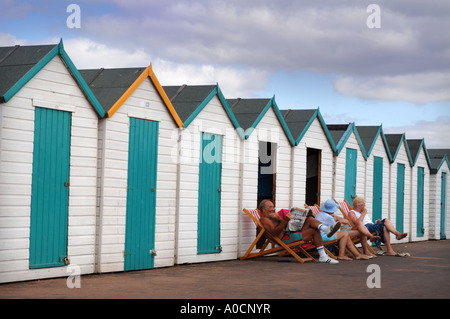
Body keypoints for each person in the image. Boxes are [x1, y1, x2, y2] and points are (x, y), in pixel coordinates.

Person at [258, 199, 340, 264]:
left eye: (273, 207)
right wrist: (285, 220)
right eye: (270, 207)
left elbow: (284, 226)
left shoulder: (273, 216)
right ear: (263, 209)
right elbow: (274, 233)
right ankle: (323, 256)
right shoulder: (265, 220)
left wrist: (282, 219)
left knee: (310, 219)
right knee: (314, 231)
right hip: (286, 238)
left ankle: (326, 229)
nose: (273, 209)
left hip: (290, 231)